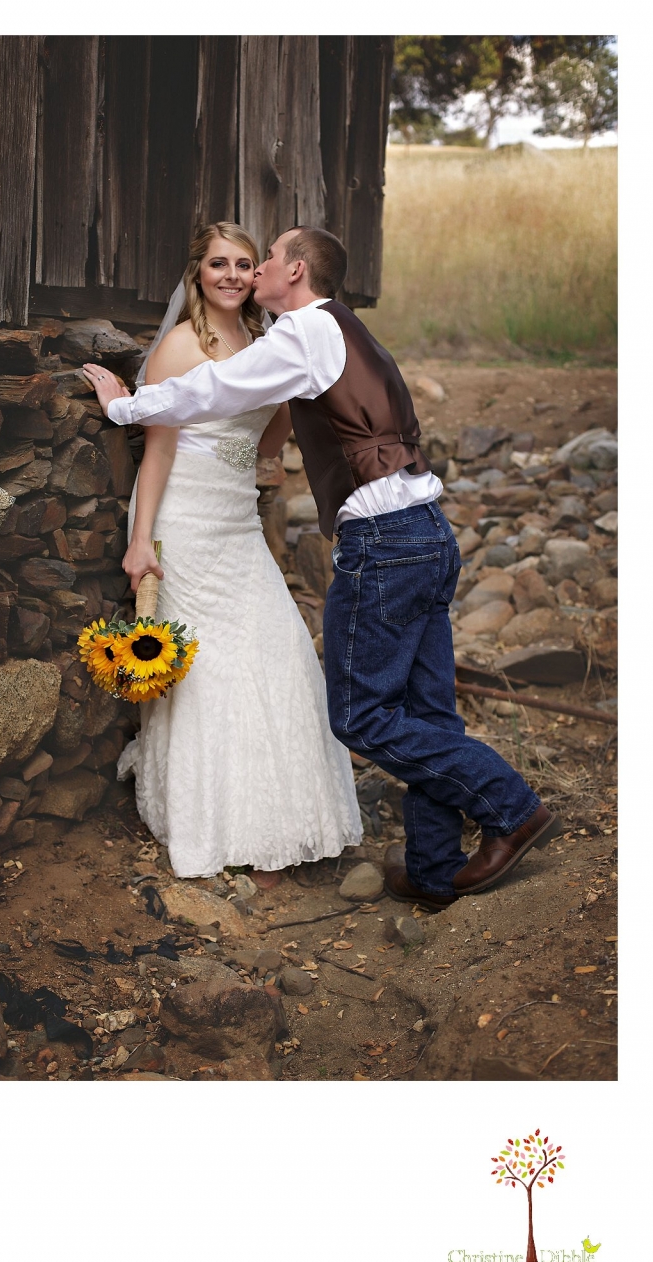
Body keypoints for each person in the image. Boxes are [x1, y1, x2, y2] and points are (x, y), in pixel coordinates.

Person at [86, 225, 562, 911]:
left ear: (295, 270)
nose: (255, 273)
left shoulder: (300, 333)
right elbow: (257, 412)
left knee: (363, 719)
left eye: (266, 259)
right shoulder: (338, 329)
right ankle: (431, 870)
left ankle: (511, 807)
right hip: (427, 530)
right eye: (229, 263)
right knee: (427, 711)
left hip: (384, 545)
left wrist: (122, 406)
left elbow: (214, 390)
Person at [84, 222, 362, 879]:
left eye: (245, 262)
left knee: (282, 649)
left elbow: (267, 443)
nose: (235, 275)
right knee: (208, 668)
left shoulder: (266, 343)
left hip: (236, 520)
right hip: (183, 521)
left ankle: (286, 818)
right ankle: (207, 820)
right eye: (220, 264)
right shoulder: (183, 345)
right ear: (198, 274)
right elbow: (158, 451)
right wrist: (141, 543)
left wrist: (253, 442)